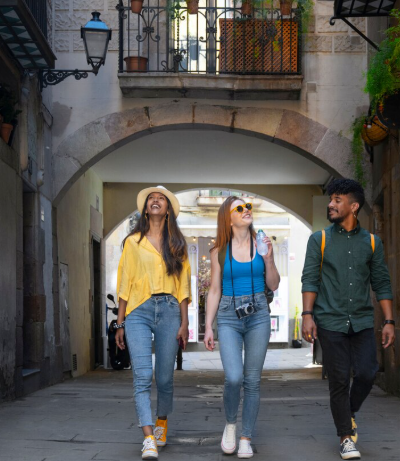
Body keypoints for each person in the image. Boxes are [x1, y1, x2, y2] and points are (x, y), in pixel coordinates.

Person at [300, 179, 395, 460]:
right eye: (331, 199)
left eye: (337, 200)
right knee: (339, 379)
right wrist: (308, 315)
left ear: (353, 207)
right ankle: (345, 436)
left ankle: (348, 411)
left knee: (367, 372)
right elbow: (310, 279)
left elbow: (381, 283)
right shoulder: (320, 239)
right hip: (330, 321)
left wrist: (389, 321)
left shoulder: (372, 242)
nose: (331, 204)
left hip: (363, 321)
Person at [115, 186, 191, 459]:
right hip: (138, 310)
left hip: (170, 311)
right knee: (142, 376)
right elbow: (124, 282)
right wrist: (119, 323)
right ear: (146, 209)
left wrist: (185, 322)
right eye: (151, 199)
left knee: (164, 377)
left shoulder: (178, 244)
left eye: (162, 199)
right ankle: (148, 437)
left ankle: (161, 421)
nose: (156, 201)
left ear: (168, 209)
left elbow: (183, 286)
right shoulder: (132, 242)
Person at [203, 197, 281, 458]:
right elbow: (214, 290)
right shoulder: (218, 251)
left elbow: (273, 284)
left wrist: (268, 259)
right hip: (228, 315)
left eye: (248, 206)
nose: (246, 210)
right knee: (234, 377)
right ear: (228, 217)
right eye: (239, 208)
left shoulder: (261, 244)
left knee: (252, 381)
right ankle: (230, 424)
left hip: (258, 313)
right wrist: (208, 326)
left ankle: (246, 437)